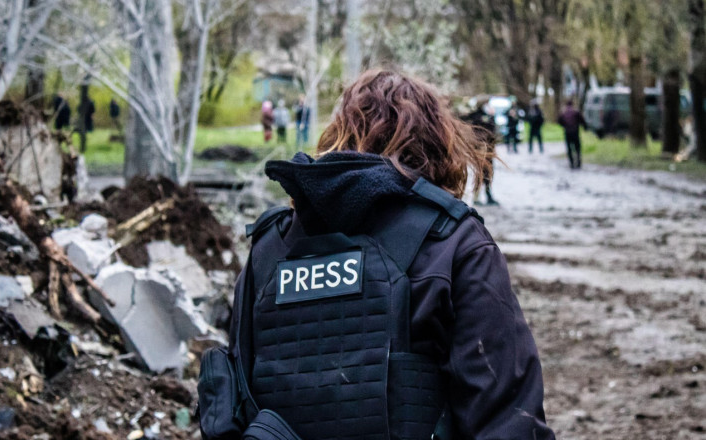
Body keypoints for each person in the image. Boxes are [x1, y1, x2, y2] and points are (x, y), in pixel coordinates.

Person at [210, 70, 556, 440]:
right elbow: (508, 420)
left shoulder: (268, 249)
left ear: (337, 136)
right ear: (438, 143)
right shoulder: (454, 243)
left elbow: (236, 406)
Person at [464, 101, 499, 205]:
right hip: (480, 150)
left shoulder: (488, 116)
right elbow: (478, 132)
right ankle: (477, 196)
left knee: (489, 173)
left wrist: (492, 117)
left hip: (489, 150)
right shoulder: (476, 116)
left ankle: (488, 195)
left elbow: (493, 131)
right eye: (487, 104)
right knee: (480, 173)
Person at [557, 99, 587, 169]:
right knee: (577, 148)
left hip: (567, 133)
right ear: (572, 104)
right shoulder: (576, 112)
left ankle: (572, 163)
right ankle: (578, 162)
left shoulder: (563, 113)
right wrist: (584, 127)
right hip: (575, 132)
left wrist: (564, 126)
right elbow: (582, 120)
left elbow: (559, 121)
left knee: (569, 149)